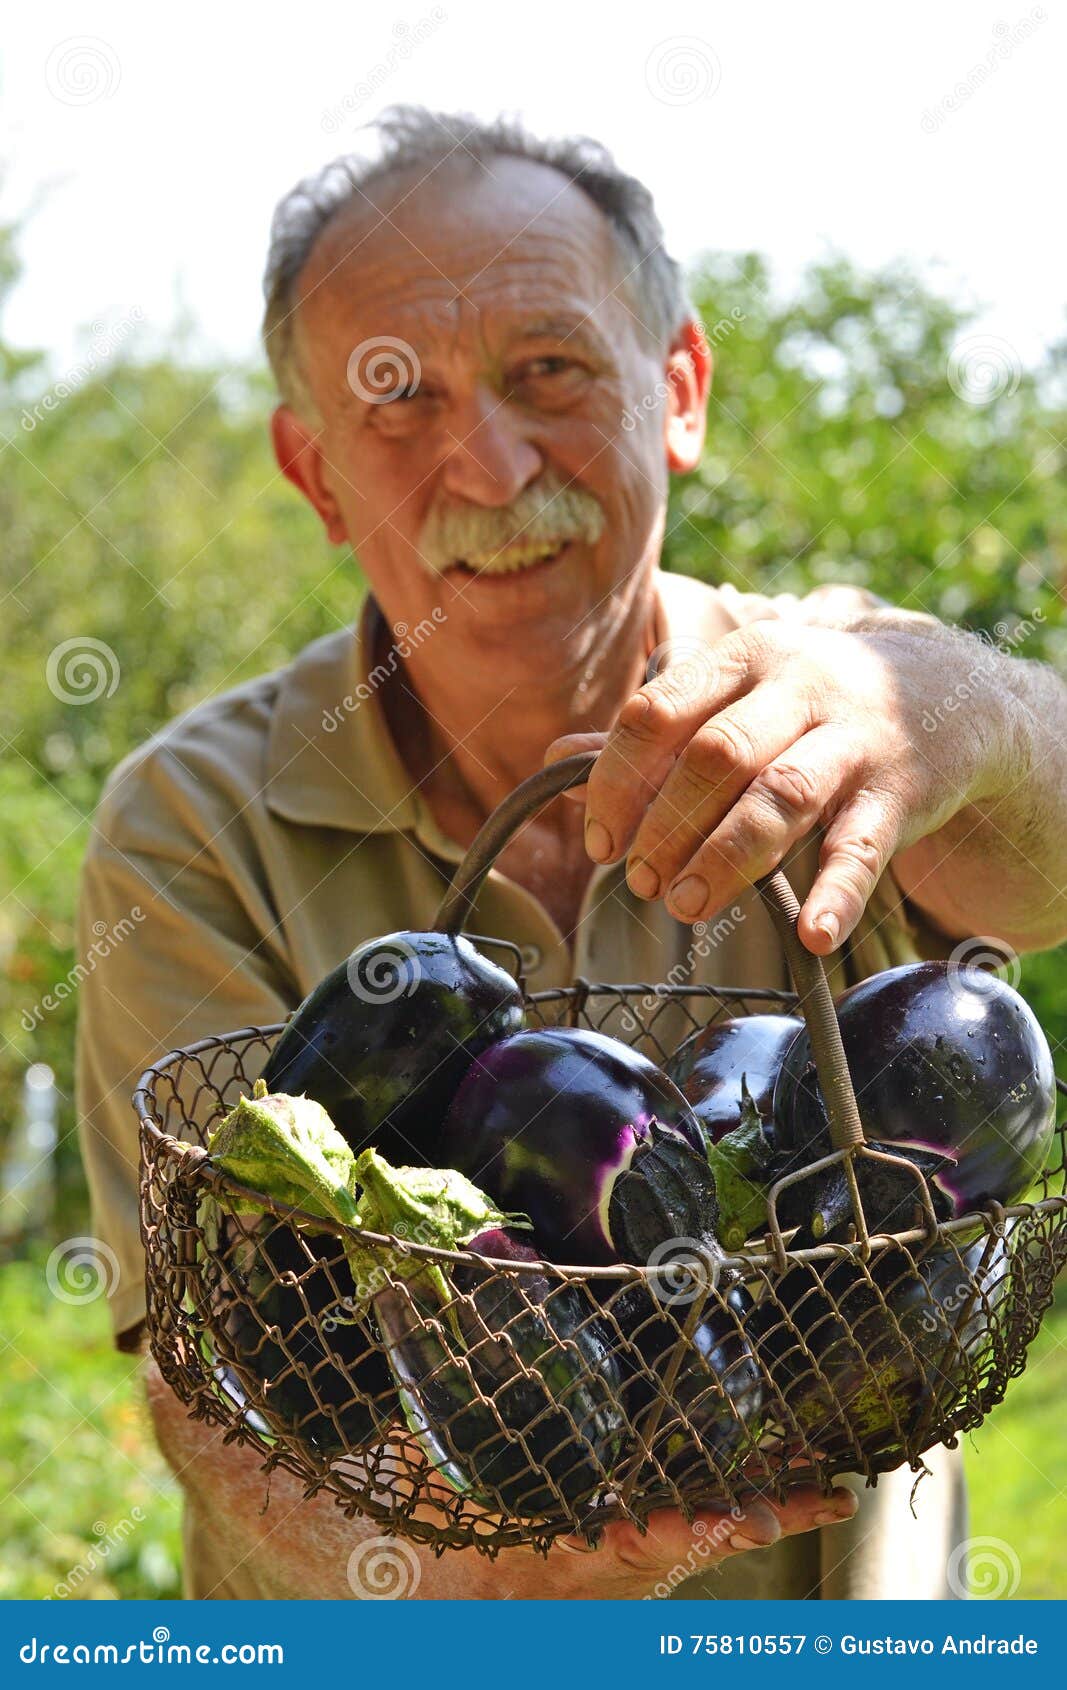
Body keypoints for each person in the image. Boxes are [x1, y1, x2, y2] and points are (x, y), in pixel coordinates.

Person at [76, 108, 1067, 1601]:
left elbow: (1044, 879)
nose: (489, 466)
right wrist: (503, 1554)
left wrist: (973, 708)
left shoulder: (833, 699)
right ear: (316, 472)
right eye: (397, 398)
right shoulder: (193, 821)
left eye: (551, 369)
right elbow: (226, 1374)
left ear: (679, 392)